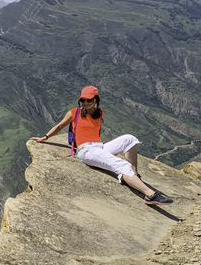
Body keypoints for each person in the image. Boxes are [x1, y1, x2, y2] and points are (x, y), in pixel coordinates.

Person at [32, 85, 173, 205]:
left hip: (100, 147)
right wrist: (45, 137)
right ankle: (150, 195)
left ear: (95, 100)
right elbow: (59, 126)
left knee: (130, 139)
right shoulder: (75, 112)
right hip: (86, 151)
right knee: (121, 165)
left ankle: (134, 175)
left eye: (89, 100)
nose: (85, 103)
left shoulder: (99, 114)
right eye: (83, 100)